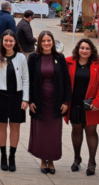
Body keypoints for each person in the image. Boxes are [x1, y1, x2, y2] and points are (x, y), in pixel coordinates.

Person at [27, 30, 71, 175]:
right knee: (41, 133)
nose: (46, 43)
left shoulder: (59, 57)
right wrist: (30, 100)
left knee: (53, 133)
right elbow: (28, 80)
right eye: (43, 41)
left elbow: (66, 80)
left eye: (49, 40)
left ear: (53, 42)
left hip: (56, 102)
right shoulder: (33, 58)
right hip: (39, 101)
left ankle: (51, 160)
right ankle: (42, 159)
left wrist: (66, 101)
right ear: (39, 43)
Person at [65, 39, 99, 176]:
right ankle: (77, 158)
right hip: (74, 102)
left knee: (91, 131)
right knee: (76, 130)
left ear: (92, 50)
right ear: (78, 49)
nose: (84, 51)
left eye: (87, 48)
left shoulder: (98, 63)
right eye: (82, 48)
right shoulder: (69, 61)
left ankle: (92, 161)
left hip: (91, 103)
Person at [0, 30, 29, 172]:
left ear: (15, 42)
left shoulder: (21, 57)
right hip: (1, 95)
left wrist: (25, 99)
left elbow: (26, 79)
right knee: (2, 126)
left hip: (17, 96)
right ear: (2, 42)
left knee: (15, 126)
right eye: (6, 40)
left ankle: (12, 156)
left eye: (11, 41)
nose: (8, 43)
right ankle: (3, 155)